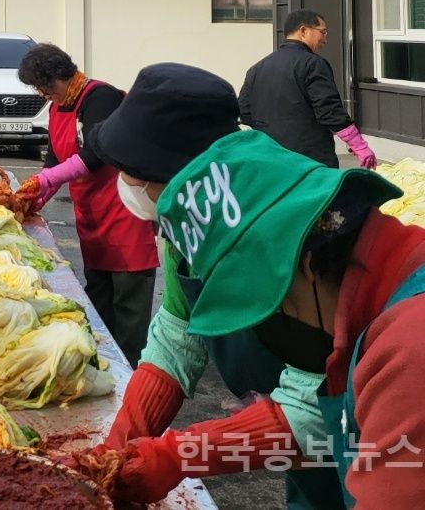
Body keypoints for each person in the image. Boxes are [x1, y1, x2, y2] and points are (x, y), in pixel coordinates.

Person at [105, 132, 425, 506]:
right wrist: (178, 456)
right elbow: (329, 445)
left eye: (264, 308)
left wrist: (180, 455)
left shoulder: (408, 350)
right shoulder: (372, 307)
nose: (267, 328)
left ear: (303, 265)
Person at [81, 63, 347, 510]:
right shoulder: (188, 230)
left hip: (368, 443)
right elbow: (176, 337)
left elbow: (316, 404)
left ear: (187, 175)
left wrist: (178, 454)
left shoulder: (302, 237)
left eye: (131, 173)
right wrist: (118, 449)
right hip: (296, 445)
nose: (124, 185)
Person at [15, 44, 156, 363]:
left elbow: (96, 153)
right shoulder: (56, 107)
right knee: (98, 300)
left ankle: (132, 374)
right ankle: (101, 364)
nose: (42, 95)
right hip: (91, 215)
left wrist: (46, 181)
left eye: (41, 87)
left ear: (55, 78)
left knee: (129, 305)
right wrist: (33, 199)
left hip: (124, 212)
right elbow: (53, 161)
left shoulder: (99, 97)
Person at [239, 8, 377, 170]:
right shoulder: (312, 64)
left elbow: (244, 111)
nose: (325, 40)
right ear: (303, 30)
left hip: (269, 156)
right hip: (309, 158)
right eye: (323, 32)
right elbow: (329, 110)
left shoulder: (257, 68)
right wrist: (358, 145)